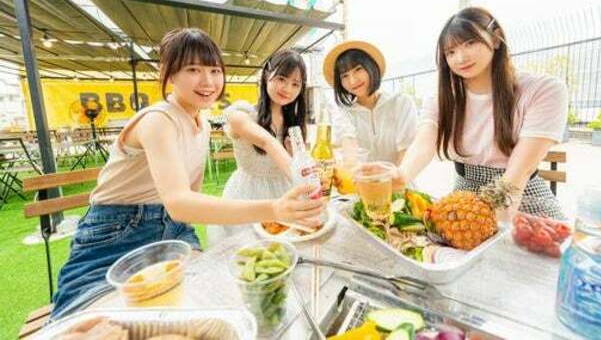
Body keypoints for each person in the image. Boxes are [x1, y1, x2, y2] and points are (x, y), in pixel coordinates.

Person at [52, 29, 323, 319]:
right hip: (117, 232)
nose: (208, 81)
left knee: (209, 308)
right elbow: (180, 203)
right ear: (169, 74)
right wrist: (274, 209)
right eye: (193, 70)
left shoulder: (200, 124)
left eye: (214, 71)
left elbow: (189, 202)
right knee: (92, 324)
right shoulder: (158, 119)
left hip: (175, 230)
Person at [392, 7, 568, 219]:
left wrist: (491, 221)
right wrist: (400, 176)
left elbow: (519, 171)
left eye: (470, 43)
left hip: (522, 198)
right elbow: (423, 145)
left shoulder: (543, 89)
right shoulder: (441, 99)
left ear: (496, 38)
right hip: (463, 196)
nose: (461, 57)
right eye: (451, 52)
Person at [206, 50, 309, 242]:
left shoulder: (294, 124)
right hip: (248, 196)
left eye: (296, 84)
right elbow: (267, 142)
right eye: (281, 79)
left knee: (288, 248)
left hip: (285, 191)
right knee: (251, 251)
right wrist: (304, 178)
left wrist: (297, 157)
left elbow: (299, 163)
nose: (287, 88)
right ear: (266, 75)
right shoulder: (242, 114)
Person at [323, 40, 418, 165]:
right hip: (360, 176)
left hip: (399, 176)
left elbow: (407, 152)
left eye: (358, 69)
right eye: (344, 76)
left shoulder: (401, 103)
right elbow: (349, 149)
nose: (352, 81)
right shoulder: (344, 112)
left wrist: (393, 176)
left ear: (371, 67)